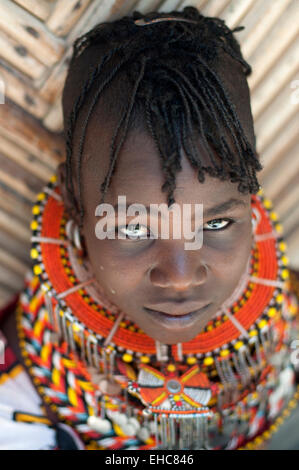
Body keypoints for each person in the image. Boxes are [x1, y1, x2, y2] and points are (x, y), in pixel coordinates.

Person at [0, 6, 299, 450]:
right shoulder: (15, 399)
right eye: (134, 229)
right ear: (75, 205)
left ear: (251, 199)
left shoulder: (286, 327)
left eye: (215, 222)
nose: (180, 275)